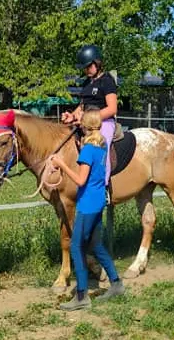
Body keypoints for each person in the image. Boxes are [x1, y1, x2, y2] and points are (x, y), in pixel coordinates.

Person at [51, 111, 125, 310]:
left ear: (84, 126)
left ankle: (82, 296)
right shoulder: (101, 147)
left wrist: (61, 165)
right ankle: (116, 283)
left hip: (87, 204)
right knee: (96, 245)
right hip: (98, 200)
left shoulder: (87, 150)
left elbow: (81, 180)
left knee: (76, 247)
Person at [61, 45, 117, 186]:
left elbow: (112, 108)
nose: (86, 70)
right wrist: (72, 116)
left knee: (102, 145)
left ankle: (102, 185)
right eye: (84, 68)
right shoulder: (87, 82)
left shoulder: (107, 81)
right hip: (86, 123)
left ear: (97, 63)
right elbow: (82, 106)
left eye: (88, 66)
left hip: (104, 123)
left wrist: (87, 119)